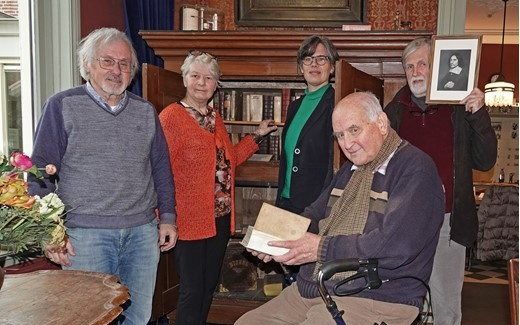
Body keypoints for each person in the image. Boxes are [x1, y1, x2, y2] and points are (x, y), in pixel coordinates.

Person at [236, 91, 445, 325]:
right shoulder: (350, 170)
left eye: (354, 130)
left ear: (382, 124)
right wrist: (277, 239)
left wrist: (321, 248)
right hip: (316, 286)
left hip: (378, 296)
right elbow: (315, 215)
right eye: (339, 136)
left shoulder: (416, 169)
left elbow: (397, 246)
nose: (347, 144)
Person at [28, 27, 178, 324]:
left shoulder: (146, 112)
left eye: (124, 64)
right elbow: (39, 175)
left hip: (142, 236)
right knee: (89, 319)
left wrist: (169, 217)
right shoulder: (62, 106)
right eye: (107, 61)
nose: (116, 70)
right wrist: (51, 232)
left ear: (132, 72)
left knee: (137, 319)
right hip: (85, 238)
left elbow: (161, 167)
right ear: (87, 66)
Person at [384, 37, 497, 325]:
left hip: (448, 222)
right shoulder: (392, 113)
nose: (415, 71)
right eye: (409, 66)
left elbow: (485, 161)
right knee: (402, 306)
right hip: (403, 224)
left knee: (446, 309)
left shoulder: (459, 109)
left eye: (423, 64)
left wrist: (479, 113)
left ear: (437, 69)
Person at [159, 50, 277, 325]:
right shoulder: (171, 117)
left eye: (209, 77)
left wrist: (256, 136)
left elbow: (228, 161)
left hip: (220, 217)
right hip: (188, 218)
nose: (202, 82)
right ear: (185, 79)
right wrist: (162, 217)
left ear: (216, 84)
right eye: (196, 75)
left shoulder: (215, 118)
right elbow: (159, 170)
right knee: (192, 289)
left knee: (209, 284)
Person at [276, 35, 339, 215]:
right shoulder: (295, 106)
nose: (314, 64)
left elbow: (333, 163)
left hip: (315, 206)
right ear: (301, 66)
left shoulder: (337, 103)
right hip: (286, 201)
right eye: (308, 59)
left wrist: (321, 207)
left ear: (332, 66)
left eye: (321, 59)